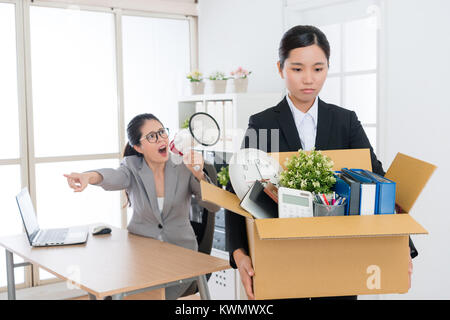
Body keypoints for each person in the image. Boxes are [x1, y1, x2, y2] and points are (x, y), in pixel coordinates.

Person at [225, 25, 416, 300]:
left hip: (340, 259)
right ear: (281, 69)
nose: (308, 79)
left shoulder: (344, 121)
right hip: (281, 258)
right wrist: (239, 253)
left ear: (328, 68)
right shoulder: (263, 123)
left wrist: (401, 246)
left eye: (318, 68)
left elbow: (378, 181)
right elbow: (238, 189)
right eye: (297, 68)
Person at [64, 113, 220, 300]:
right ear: (138, 147)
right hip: (141, 256)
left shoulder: (183, 166)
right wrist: (87, 177)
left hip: (181, 257)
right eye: (152, 136)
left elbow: (214, 206)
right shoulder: (131, 167)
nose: (161, 138)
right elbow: (113, 176)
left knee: (145, 295)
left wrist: (199, 173)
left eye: (162, 132)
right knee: (110, 291)